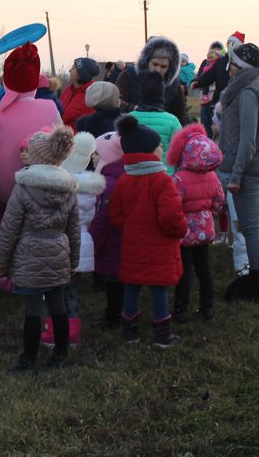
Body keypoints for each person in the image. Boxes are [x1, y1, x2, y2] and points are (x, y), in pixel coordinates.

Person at [0, 126, 80, 372]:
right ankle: (61, 354)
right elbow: (74, 228)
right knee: (58, 306)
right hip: (58, 251)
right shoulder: (69, 187)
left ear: (36, 156)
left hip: (29, 253)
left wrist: (0, 261)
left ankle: (28, 359)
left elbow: (9, 227)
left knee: (32, 310)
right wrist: (74, 260)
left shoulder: (23, 187)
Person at [109, 116, 187, 347]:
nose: (162, 148)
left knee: (131, 285)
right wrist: (180, 229)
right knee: (158, 287)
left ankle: (130, 331)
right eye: (158, 146)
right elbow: (171, 216)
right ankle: (163, 334)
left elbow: (116, 216)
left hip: (133, 246)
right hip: (160, 245)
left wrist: (131, 229)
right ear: (148, 152)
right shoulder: (162, 180)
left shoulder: (124, 180)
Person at [217, 43, 259, 301]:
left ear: (240, 68)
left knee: (251, 228)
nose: (228, 67)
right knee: (255, 228)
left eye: (231, 63)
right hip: (246, 169)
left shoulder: (247, 93)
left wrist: (236, 175)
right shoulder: (246, 89)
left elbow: (248, 142)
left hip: (247, 171)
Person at [0, 42, 63, 211]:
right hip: (44, 187)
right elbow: (61, 140)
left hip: (6, 189)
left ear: (7, 81)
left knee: (7, 226)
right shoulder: (51, 108)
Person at [41, 131, 104, 349]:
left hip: (58, 244)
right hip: (81, 244)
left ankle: (52, 333)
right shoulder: (90, 189)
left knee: (54, 291)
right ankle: (73, 334)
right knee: (72, 291)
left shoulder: (56, 186)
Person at [166, 124, 224, 322]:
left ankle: (181, 310)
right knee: (204, 269)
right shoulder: (213, 177)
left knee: (185, 271)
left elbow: (173, 205)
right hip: (205, 229)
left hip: (185, 231)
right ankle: (208, 307)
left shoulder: (179, 179)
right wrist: (209, 215)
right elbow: (219, 201)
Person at [89, 131, 125, 328]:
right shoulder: (122, 173)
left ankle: (113, 315)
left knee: (114, 278)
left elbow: (104, 216)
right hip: (122, 237)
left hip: (113, 239)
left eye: (97, 154)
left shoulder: (109, 182)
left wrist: (94, 241)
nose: (93, 157)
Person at [117, 36, 189, 126]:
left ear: (169, 67)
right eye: (155, 64)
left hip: (164, 132)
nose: (158, 69)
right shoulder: (128, 75)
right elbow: (118, 101)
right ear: (147, 60)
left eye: (163, 66)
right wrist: (134, 108)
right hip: (133, 129)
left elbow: (180, 114)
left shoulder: (173, 84)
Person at [127, 69, 183, 173]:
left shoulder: (129, 119)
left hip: (135, 175)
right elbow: (180, 151)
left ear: (142, 93)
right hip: (165, 176)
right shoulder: (172, 121)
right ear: (162, 94)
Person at [190, 36, 242, 133]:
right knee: (214, 129)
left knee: (230, 130)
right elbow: (209, 75)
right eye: (228, 43)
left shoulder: (241, 63)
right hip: (218, 100)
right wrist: (197, 82)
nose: (229, 45)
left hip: (235, 101)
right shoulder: (221, 61)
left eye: (231, 43)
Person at [60, 57, 100, 131]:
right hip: (58, 136)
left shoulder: (90, 96)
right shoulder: (68, 91)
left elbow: (89, 127)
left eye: (73, 68)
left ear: (80, 75)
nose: (69, 71)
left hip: (73, 140)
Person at [194, 42, 225, 136]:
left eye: (217, 50)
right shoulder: (205, 62)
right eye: (213, 50)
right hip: (204, 100)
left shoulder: (222, 64)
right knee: (205, 126)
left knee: (216, 127)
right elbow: (199, 77)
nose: (214, 53)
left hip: (216, 100)